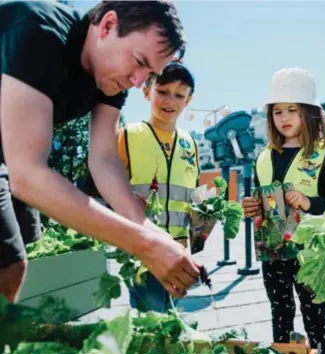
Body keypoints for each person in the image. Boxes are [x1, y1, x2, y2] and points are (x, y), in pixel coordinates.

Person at [0, 0, 200, 304]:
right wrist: (144, 244)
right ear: (107, 25)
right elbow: (27, 176)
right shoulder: (38, 31)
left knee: (30, 261)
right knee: (10, 265)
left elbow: (103, 158)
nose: (137, 82)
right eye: (138, 61)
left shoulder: (114, 79)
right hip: (12, 165)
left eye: (148, 73)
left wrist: (151, 232)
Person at [242, 68, 325, 354]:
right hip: (273, 251)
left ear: (310, 113)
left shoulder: (323, 156)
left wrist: (309, 203)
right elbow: (261, 200)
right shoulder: (263, 157)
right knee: (281, 315)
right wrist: (251, 206)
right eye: (277, 111)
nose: (284, 117)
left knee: (316, 320)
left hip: (311, 257)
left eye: (292, 110)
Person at [117, 61, 199, 311]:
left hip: (179, 252)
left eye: (179, 95)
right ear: (146, 91)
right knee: (150, 322)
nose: (170, 100)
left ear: (188, 101)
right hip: (143, 250)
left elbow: (192, 196)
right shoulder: (128, 135)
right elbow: (106, 191)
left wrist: (204, 218)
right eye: (162, 91)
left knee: (172, 322)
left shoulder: (190, 144)